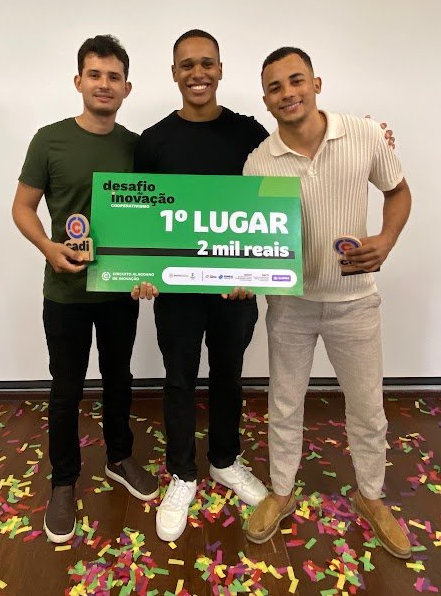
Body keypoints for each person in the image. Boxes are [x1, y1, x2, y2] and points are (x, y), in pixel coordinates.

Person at [243, 46, 413, 559]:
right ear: (265, 100)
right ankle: (281, 491)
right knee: (284, 403)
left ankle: (371, 496)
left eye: (296, 80)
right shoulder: (259, 162)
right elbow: (254, 238)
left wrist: (386, 239)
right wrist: (241, 274)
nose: (287, 93)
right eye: (275, 87)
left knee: (367, 407)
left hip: (354, 302)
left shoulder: (364, 135)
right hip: (290, 304)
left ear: (317, 83)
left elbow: (399, 192)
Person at [12, 35, 158, 544]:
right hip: (66, 292)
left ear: (127, 88)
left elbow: (152, 216)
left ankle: (119, 457)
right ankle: (63, 480)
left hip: (119, 294)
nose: (104, 84)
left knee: (119, 378)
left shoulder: (137, 147)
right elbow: (23, 207)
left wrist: (148, 271)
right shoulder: (49, 140)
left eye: (114, 77)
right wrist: (47, 248)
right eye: (95, 74)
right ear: (79, 81)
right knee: (66, 388)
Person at [133, 29, 270, 542]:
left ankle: (224, 460)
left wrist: (251, 274)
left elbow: (272, 199)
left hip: (234, 290)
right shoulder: (154, 141)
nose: (198, 73)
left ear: (220, 69)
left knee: (229, 376)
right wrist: (140, 272)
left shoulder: (250, 133)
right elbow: (139, 217)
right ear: (174, 73)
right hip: (176, 292)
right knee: (179, 380)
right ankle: (182, 474)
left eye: (207, 63)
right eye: (187, 64)